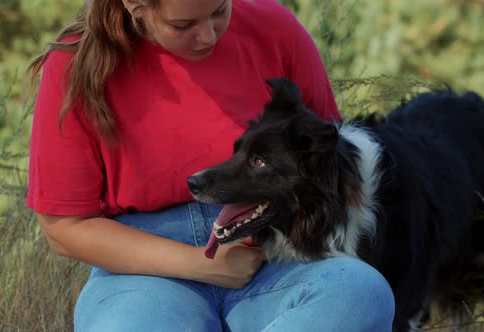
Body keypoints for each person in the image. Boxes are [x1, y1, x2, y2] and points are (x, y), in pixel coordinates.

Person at [26, 0, 395, 330]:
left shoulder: (275, 28)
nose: (208, 36)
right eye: (183, 25)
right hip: (142, 271)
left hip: (276, 258)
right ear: (135, 6)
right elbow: (64, 228)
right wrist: (202, 263)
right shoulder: (73, 64)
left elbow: (326, 162)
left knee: (362, 292)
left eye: (220, 10)